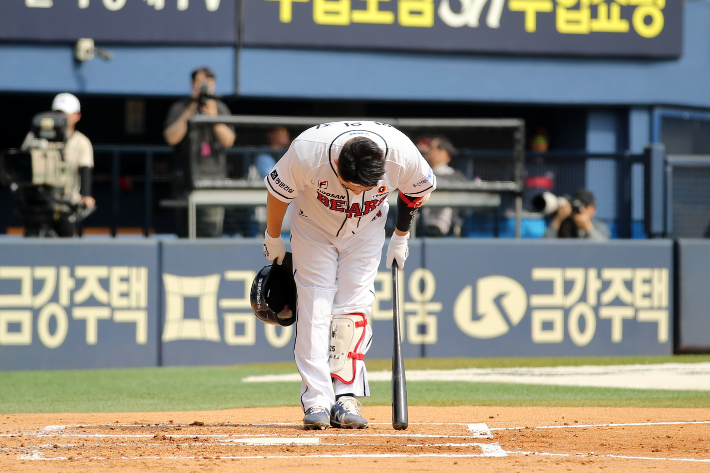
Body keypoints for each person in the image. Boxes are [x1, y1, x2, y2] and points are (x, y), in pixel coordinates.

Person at [262, 121, 435, 430]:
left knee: (353, 309)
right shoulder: (308, 151)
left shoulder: (400, 152)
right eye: (351, 183)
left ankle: (346, 396)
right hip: (313, 226)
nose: (356, 191)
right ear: (337, 162)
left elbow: (416, 190)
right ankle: (317, 398)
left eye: (363, 187)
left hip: (367, 230)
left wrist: (401, 235)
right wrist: (273, 237)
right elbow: (278, 194)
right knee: (315, 306)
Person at [163, 67, 235, 237]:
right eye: (198, 82)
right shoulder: (181, 107)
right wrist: (192, 107)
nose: (202, 86)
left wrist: (214, 118)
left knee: (210, 233)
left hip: (214, 181)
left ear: (213, 85)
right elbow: (171, 138)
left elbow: (228, 141)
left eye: (207, 82)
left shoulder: (220, 108)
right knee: (185, 234)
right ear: (192, 84)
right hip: (185, 181)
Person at [22, 93, 95, 237]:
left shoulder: (82, 142)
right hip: (38, 203)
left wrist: (86, 196)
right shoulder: (36, 136)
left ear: (77, 116)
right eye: (57, 113)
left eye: (65, 114)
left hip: (66, 204)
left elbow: (85, 169)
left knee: (64, 250)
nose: (61, 118)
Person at [421, 136, 466, 237]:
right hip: (419, 224)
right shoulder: (419, 174)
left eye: (439, 149)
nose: (433, 152)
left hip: (444, 227)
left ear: (447, 156)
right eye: (431, 148)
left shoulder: (455, 176)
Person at [543, 188, 610, 240]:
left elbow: (602, 250)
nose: (580, 210)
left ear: (593, 209)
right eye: (577, 206)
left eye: (584, 206)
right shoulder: (564, 225)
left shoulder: (600, 227)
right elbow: (545, 247)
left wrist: (587, 227)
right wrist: (558, 220)